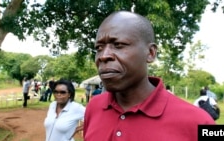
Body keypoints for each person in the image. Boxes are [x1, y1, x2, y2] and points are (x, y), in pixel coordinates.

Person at [83, 11, 215, 141]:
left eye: (118, 45)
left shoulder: (198, 123)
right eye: (99, 48)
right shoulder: (94, 107)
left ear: (151, 53)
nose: (103, 56)